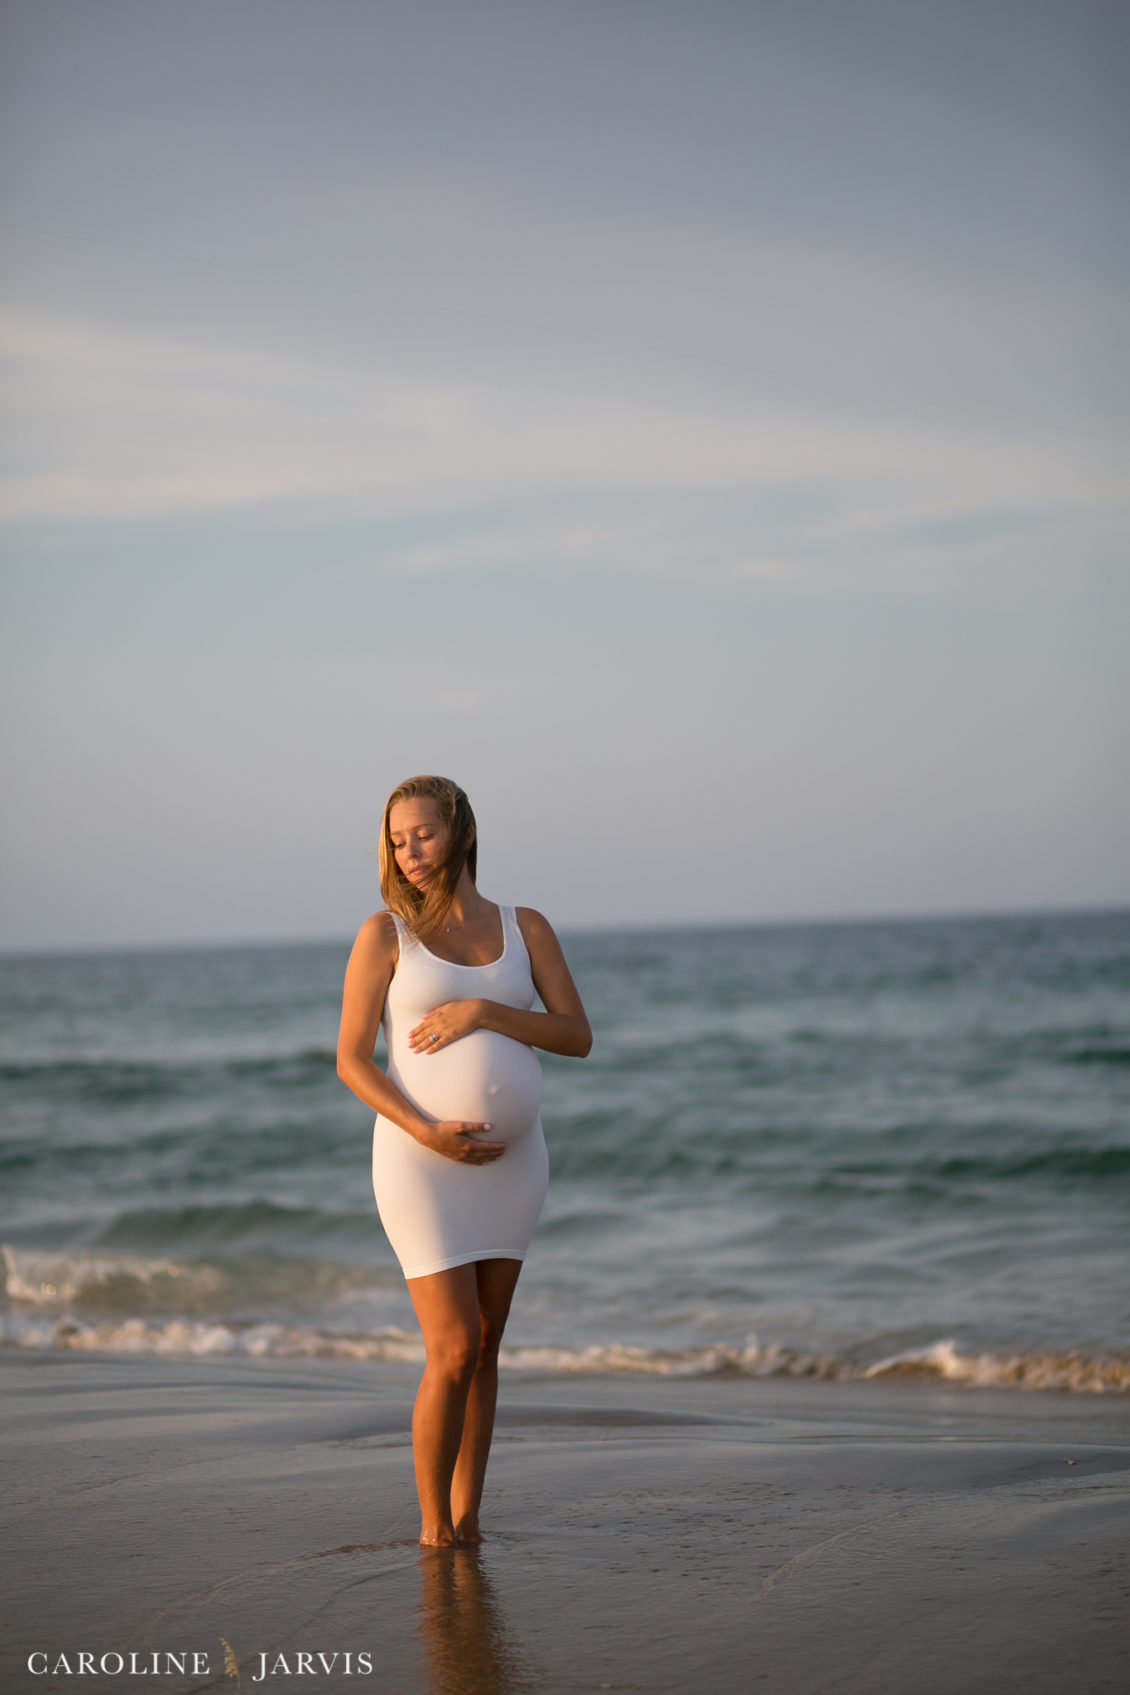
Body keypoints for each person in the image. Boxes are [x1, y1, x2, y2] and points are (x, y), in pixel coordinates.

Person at [337, 775, 592, 1547]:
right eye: (396, 838)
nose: (408, 851)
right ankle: (431, 1531)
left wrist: (483, 1010)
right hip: (420, 1161)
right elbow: (352, 1060)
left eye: (422, 833)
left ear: (462, 831)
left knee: (485, 1343)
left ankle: (469, 1518)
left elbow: (575, 1034)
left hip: (516, 1165)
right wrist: (424, 1129)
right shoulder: (384, 936)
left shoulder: (527, 928)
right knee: (450, 1347)